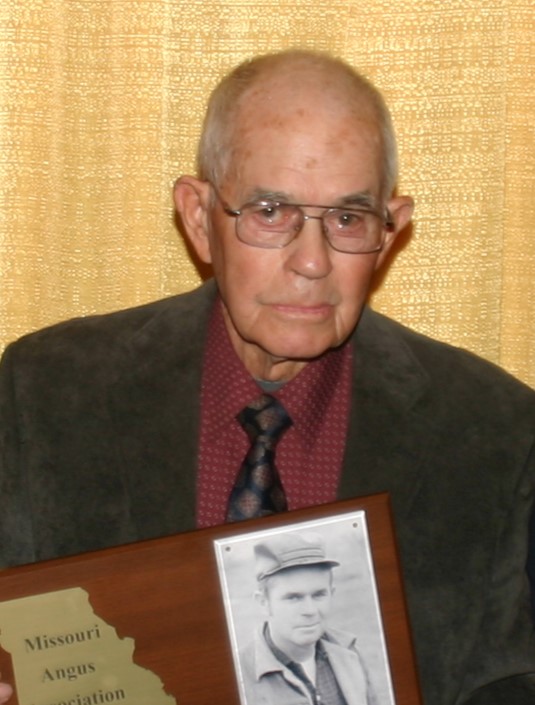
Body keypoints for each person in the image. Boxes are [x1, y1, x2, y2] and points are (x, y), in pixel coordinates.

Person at [0, 49, 534, 704]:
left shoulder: (493, 432)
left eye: (347, 219)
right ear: (199, 219)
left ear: (388, 232)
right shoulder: (46, 392)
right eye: (271, 211)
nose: (312, 261)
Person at [239, 532, 377, 705]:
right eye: (293, 598)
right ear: (263, 602)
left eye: (319, 595)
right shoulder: (240, 676)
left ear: (332, 594)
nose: (310, 610)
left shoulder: (349, 653)